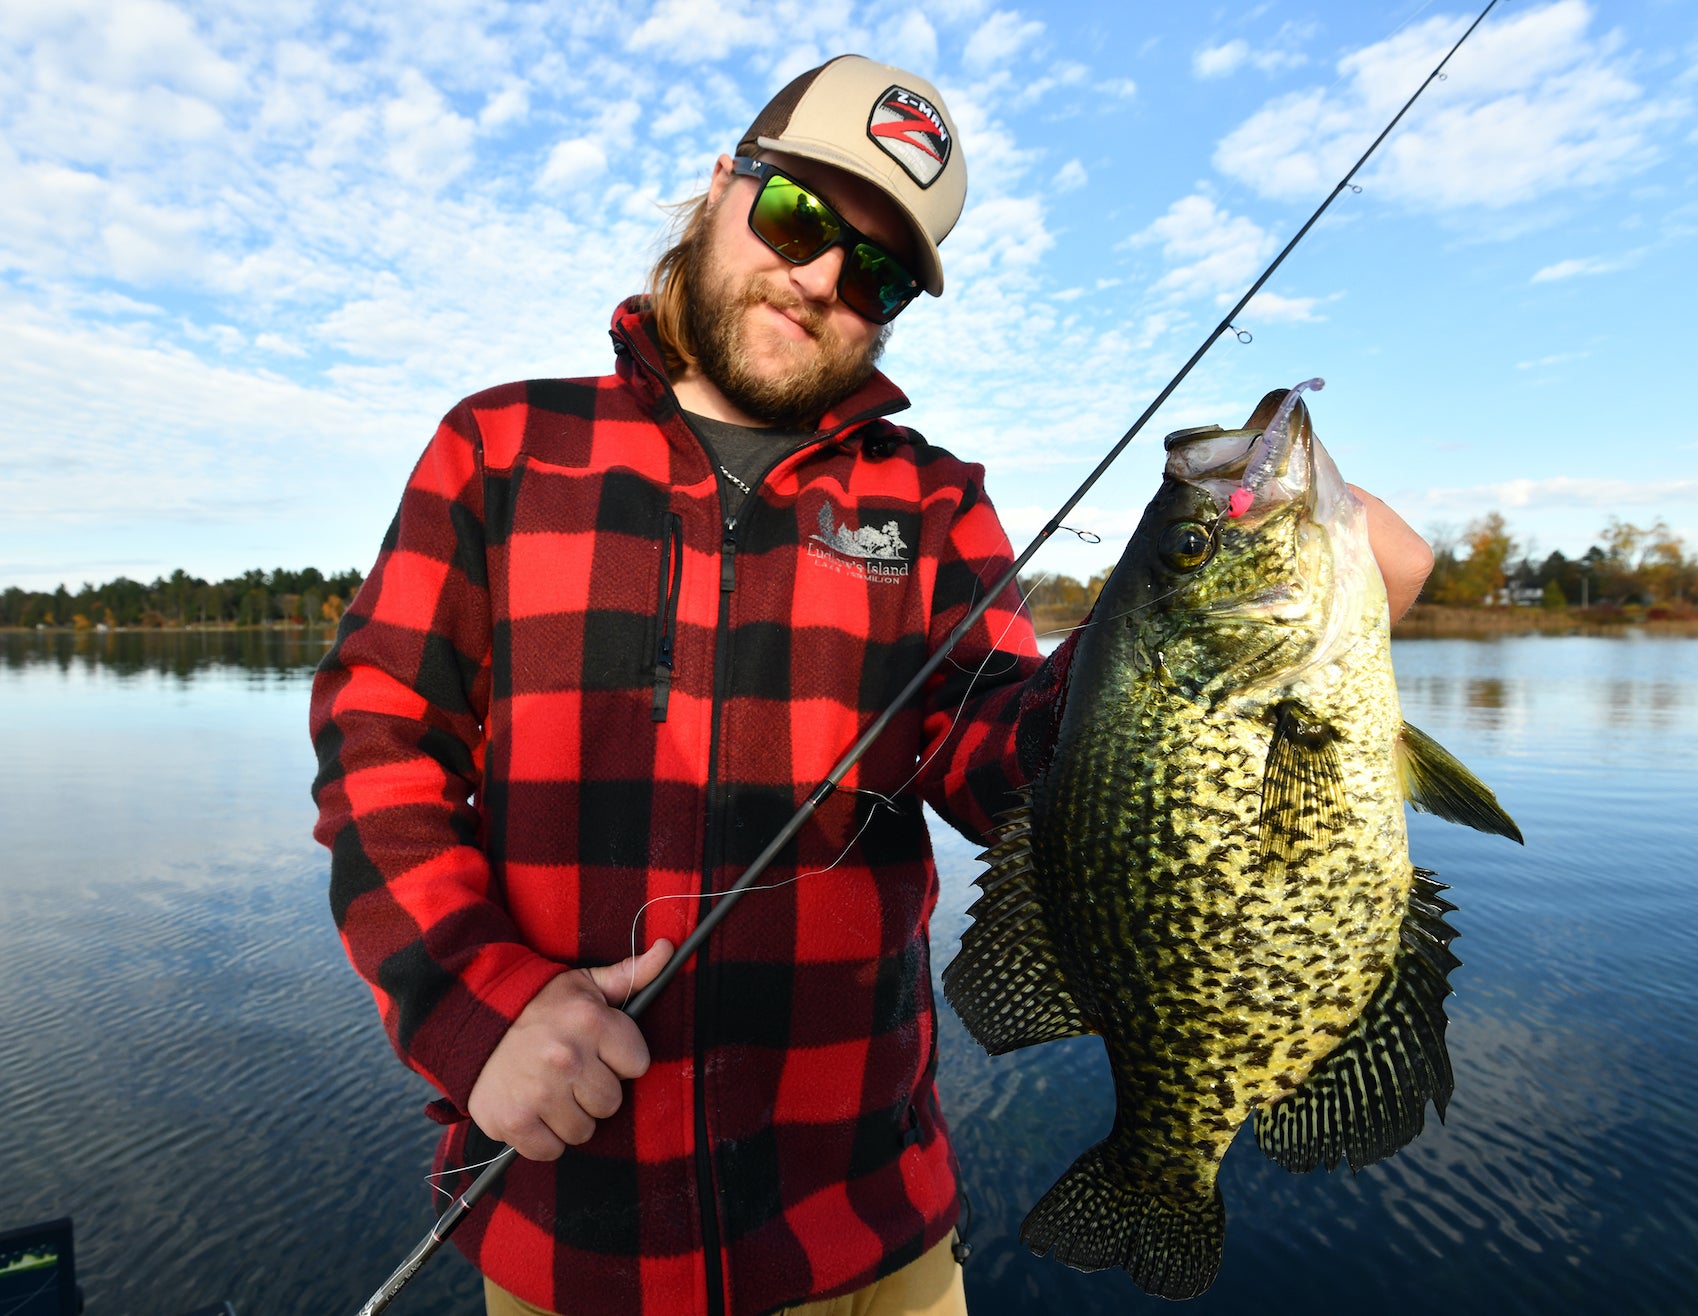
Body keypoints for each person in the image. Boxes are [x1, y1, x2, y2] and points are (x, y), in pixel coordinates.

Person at [310, 55, 1434, 1316]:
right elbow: (377, 745)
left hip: (871, 1244)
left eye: (879, 271)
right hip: (573, 1239)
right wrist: (479, 1014)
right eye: (799, 216)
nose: (824, 279)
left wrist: (1212, 679)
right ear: (720, 187)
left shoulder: (932, 500)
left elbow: (999, 755)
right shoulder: (504, 446)